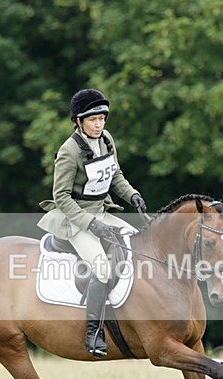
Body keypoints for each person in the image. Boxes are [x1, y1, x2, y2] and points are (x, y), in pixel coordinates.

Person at [38, 88, 147, 357]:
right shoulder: (69, 151)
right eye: (92, 120)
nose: (99, 124)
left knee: (139, 248)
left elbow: (116, 175)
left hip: (101, 211)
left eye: (102, 119)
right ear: (78, 121)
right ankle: (94, 332)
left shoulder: (107, 140)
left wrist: (132, 194)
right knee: (102, 269)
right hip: (74, 219)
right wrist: (89, 223)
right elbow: (60, 196)